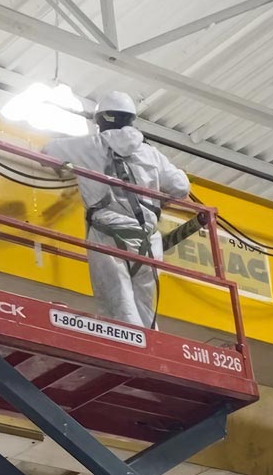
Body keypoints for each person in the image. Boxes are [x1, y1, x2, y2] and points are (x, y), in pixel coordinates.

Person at [42, 91, 190, 328]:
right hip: (148, 239)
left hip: (109, 232)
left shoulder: (91, 145)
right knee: (145, 307)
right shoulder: (151, 154)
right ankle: (149, 344)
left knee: (118, 301)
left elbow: (47, 151)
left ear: (100, 119)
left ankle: (129, 344)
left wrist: (70, 167)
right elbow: (181, 187)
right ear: (131, 119)